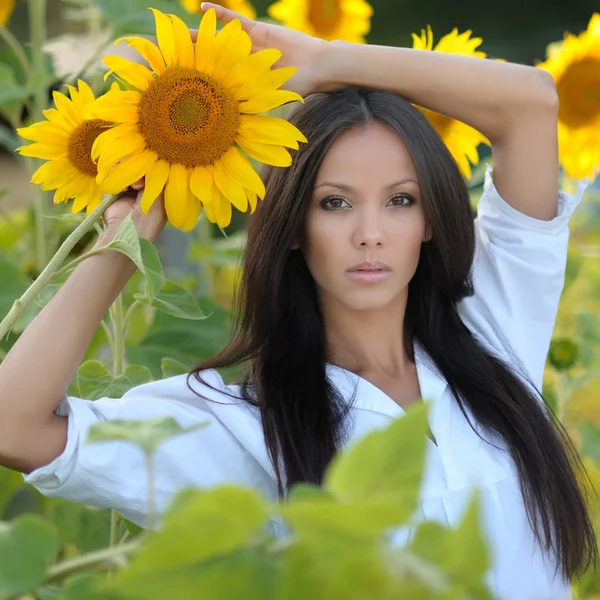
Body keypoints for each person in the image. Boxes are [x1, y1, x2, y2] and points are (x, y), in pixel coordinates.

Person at [0, 2, 596, 598]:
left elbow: (533, 104)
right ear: (290, 227)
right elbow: (13, 427)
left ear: (431, 220)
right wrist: (123, 240)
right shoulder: (245, 425)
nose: (371, 233)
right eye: (335, 203)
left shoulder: (495, 326)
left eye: (400, 200)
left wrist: (321, 61)